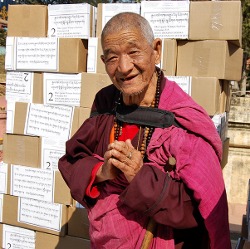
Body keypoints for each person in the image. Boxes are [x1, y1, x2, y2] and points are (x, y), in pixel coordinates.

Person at [58, 12, 231, 249]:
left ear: (156, 50)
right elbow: (72, 159)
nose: (124, 67)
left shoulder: (180, 117)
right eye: (112, 57)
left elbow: (200, 208)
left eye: (133, 52)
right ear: (103, 61)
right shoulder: (106, 102)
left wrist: (141, 178)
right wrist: (101, 172)